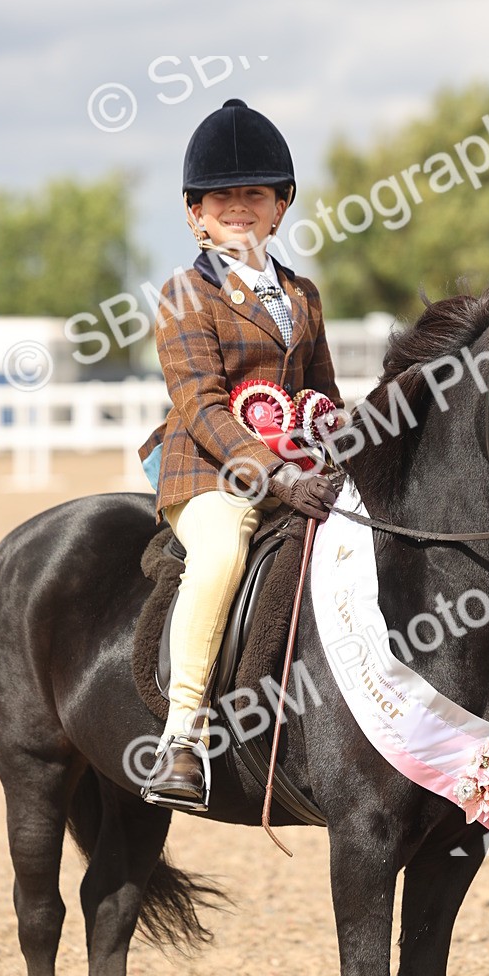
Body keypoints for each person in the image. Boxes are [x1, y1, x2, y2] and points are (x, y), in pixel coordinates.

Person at [137, 98, 342, 810]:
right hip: (207, 471)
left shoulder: (302, 295)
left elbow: (323, 394)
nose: (239, 207)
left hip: (298, 469)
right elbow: (202, 405)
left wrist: (345, 456)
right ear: (196, 214)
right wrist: (278, 474)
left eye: (255, 194)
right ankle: (182, 738)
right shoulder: (183, 296)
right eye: (222, 197)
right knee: (222, 554)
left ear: (281, 207)